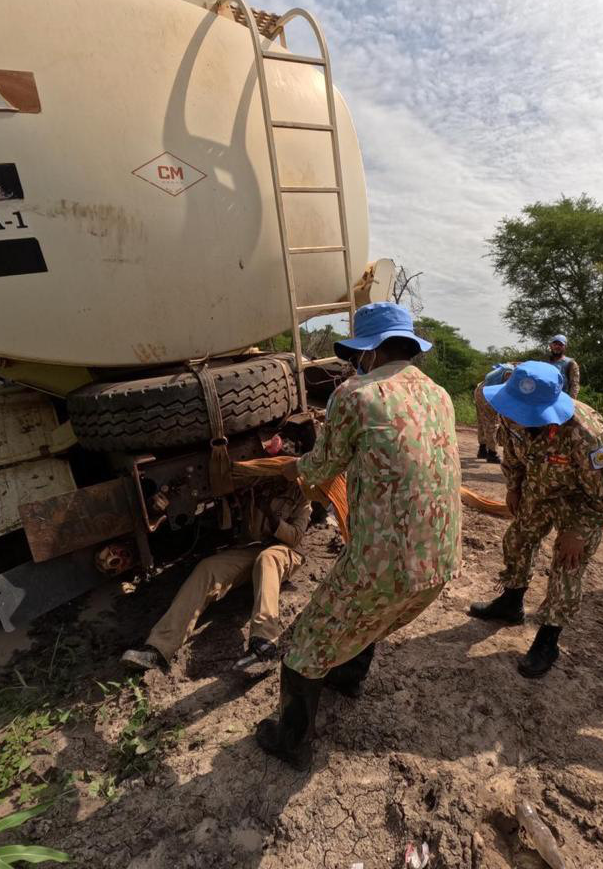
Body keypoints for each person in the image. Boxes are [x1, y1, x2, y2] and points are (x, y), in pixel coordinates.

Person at [254, 302, 462, 769]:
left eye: (357, 355)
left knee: (305, 642)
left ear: (368, 352)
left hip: (386, 566)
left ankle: (292, 742)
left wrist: (288, 468)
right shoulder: (441, 395)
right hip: (440, 562)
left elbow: (321, 470)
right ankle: (348, 677)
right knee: (363, 616)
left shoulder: (355, 394)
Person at [468, 362, 603, 676]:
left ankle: (548, 639)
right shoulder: (511, 417)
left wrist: (578, 531)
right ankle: (511, 603)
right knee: (517, 539)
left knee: (567, 564)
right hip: (538, 489)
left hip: (581, 502)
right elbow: (512, 455)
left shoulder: (586, 434)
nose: (512, 416)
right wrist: (514, 487)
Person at [121, 478, 311, 671]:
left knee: (267, 558)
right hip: (252, 548)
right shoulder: (256, 484)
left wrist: (268, 512)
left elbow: (294, 537)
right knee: (208, 567)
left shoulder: (303, 495)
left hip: (285, 552)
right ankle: (159, 648)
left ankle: (264, 645)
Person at [474, 363, 514, 462]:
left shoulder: (505, 367)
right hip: (487, 393)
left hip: (480, 389)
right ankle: (492, 453)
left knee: (482, 421)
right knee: (492, 423)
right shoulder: (510, 371)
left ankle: (482, 449)